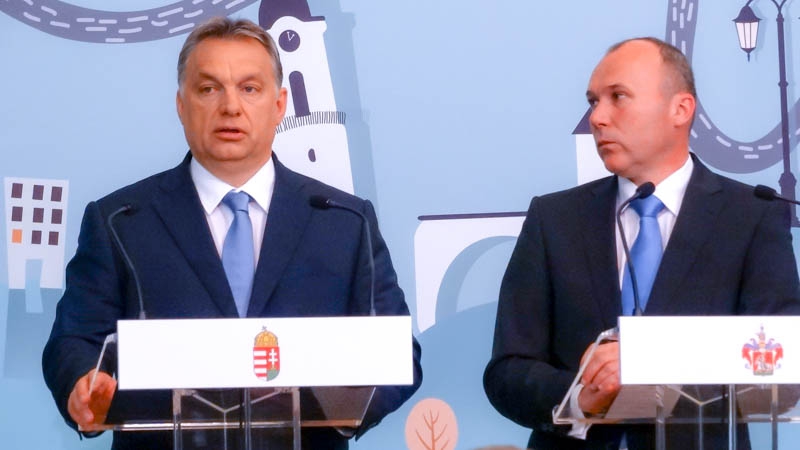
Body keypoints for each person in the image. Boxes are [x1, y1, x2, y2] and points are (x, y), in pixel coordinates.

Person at [43, 16, 422, 449]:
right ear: (181, 104)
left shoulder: (345, 222)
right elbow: (74, 340)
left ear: (279, 105)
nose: (230, 107)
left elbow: (399, 353)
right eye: (208, 89)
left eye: (249, 88)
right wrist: (82, 384)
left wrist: (338, 407)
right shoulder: (120, 221)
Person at [483, 37, 800, 450]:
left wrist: (650, 358)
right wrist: (580, 398)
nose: (597, 118)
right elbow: (507, 370)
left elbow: (780, 360)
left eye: (618, 97)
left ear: (680, 109)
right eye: (593, 101)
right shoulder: (554, 219)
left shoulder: (751, 216)